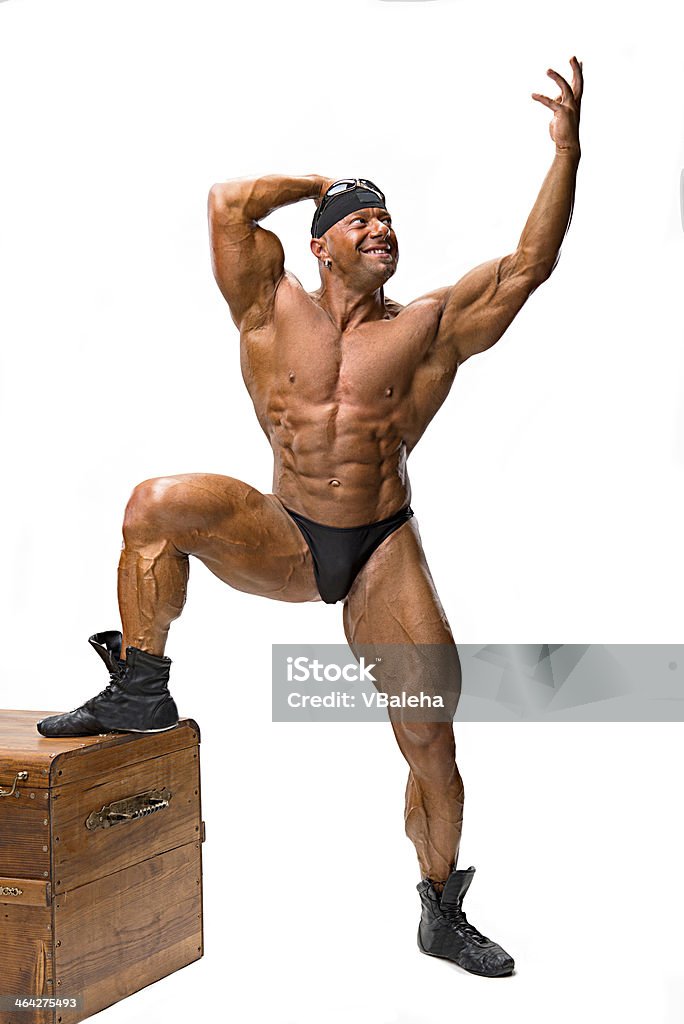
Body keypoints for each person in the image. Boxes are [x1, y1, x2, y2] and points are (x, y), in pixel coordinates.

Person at [37, 58, 583, 977]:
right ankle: (141, 688)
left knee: (430, 735)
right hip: (286, 536)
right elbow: (225, 204)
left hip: (379, 547)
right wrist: (324, 185)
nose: (382, 229)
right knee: (155, 506)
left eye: (389, 221)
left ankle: (441, 908)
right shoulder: (267, 303)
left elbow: (531, 263)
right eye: (361, 221)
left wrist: (566, 150)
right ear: (320, 244)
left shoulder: (428, 326)